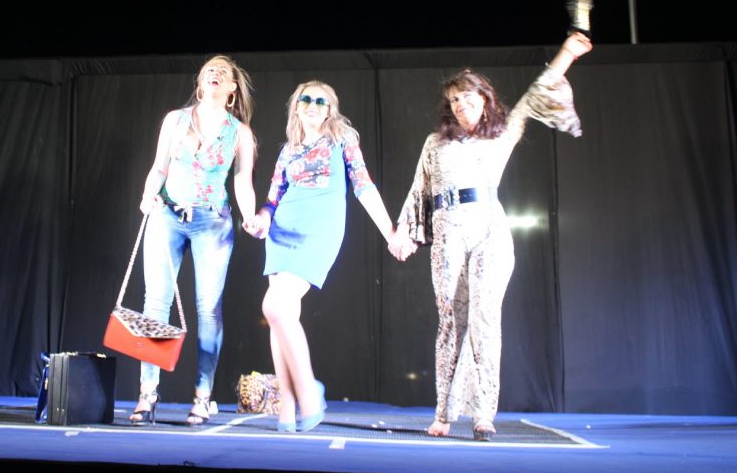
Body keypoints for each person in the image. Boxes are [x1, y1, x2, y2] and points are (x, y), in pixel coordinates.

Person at [388, 31, 593, 440]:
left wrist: (567, 53)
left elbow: (536, 95)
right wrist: (405, 232)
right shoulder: (435, 143)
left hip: (489, 231)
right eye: (454, 100)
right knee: (451, 320)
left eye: (467, 97)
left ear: (484, 98)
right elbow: (419, 189)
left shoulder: (503, 133)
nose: (460, 104)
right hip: (448, 232)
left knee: (485, 318)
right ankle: (444, 412)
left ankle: (483, 414)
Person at [246, 81, 397, 432]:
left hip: (319, 231)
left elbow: (364, 186)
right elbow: (272, 199)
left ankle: (309, 391)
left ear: (330, 109)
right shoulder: (288, 151)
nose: (313, 105)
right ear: (296, 107)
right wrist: (261, 219)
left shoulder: (342, 139)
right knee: (281, 315)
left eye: (321, 101)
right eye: (306, 99)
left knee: (275, 307)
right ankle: (287, 406)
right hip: (282, 232)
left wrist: (389, 231)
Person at [131, 54, 258, 426]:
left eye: (223, 72)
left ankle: (202, 396)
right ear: (200, 84)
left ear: (232, 88)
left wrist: (250, 216)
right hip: (167, 215)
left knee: (208, 309)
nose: (215, 74)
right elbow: (159, 167)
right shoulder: (175, 119)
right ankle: (147, 394)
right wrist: (147, 196)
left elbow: (242, 181)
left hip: (212, 223)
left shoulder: (240, 132)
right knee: (156, 302)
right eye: (209, 71)